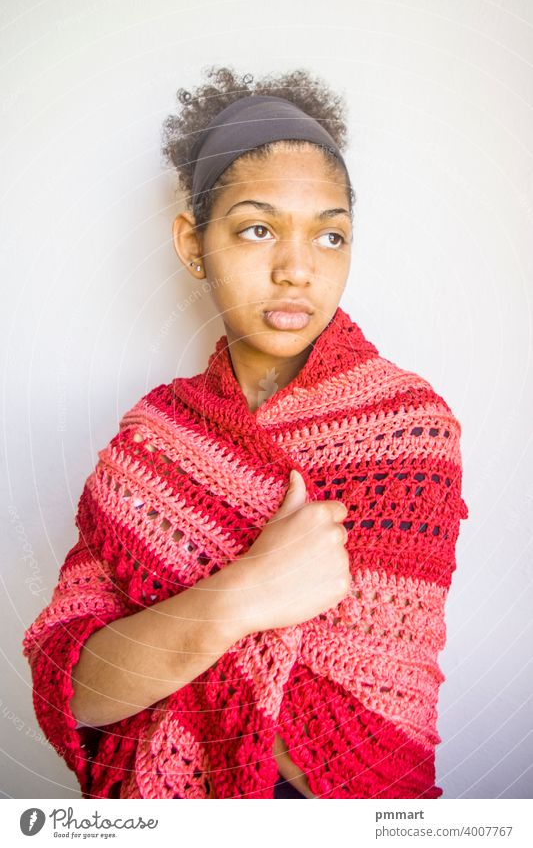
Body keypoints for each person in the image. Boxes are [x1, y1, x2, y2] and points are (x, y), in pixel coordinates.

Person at [22, 65, 468, 800]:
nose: (297, 268)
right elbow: (77, 695)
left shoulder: (410, 436)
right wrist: (247, 594)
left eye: (329, 235)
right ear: (193, 244)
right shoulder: (151, 445)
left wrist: (176, 642)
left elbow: (374, 714)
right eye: (257, 229)